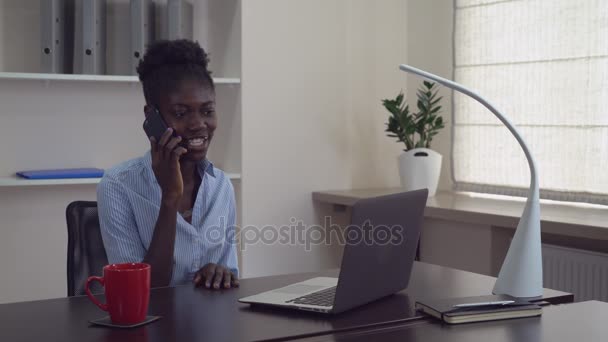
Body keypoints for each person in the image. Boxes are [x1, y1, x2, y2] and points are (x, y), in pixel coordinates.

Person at [97, 39, 238, 290]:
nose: (198, 124)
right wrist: (170, 198)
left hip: (209, 326)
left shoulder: (221, 186)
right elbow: (140, 291)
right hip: (147, 327)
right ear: (151, 116)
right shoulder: (117, 185)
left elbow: (230, 275)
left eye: (207, 111)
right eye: (181, 113)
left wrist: (219, 272)